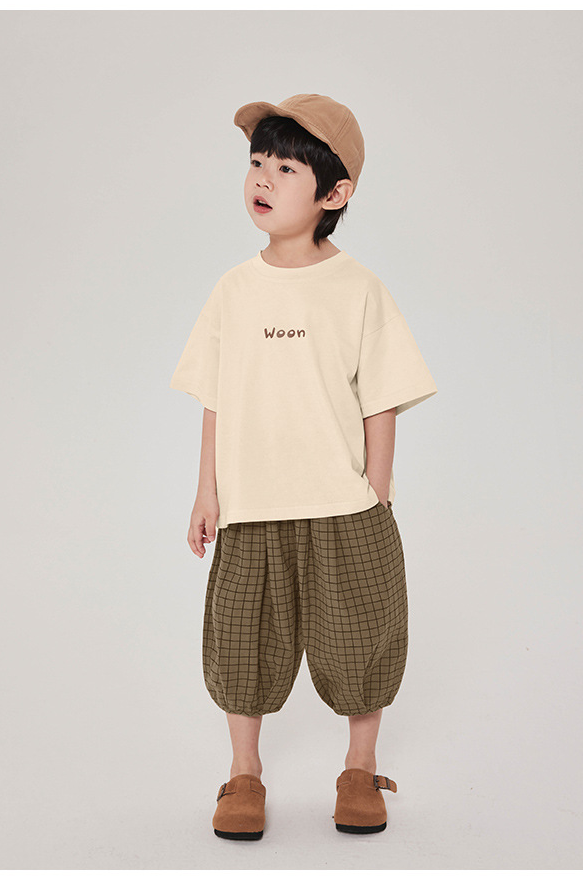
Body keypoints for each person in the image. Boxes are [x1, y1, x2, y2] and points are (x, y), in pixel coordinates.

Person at [169, 94, 438, 840]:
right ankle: (244, 774)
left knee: (362, 637)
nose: (262, 177)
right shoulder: (233, 289)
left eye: (286, 167)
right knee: (242, 642)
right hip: (252, 503)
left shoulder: (359, 289)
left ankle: (359, 768)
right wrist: (206, 491)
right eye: (257, 161)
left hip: (342, 504)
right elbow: (216, 398)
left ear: (334, 193)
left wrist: (376, 494)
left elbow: (381, 399)